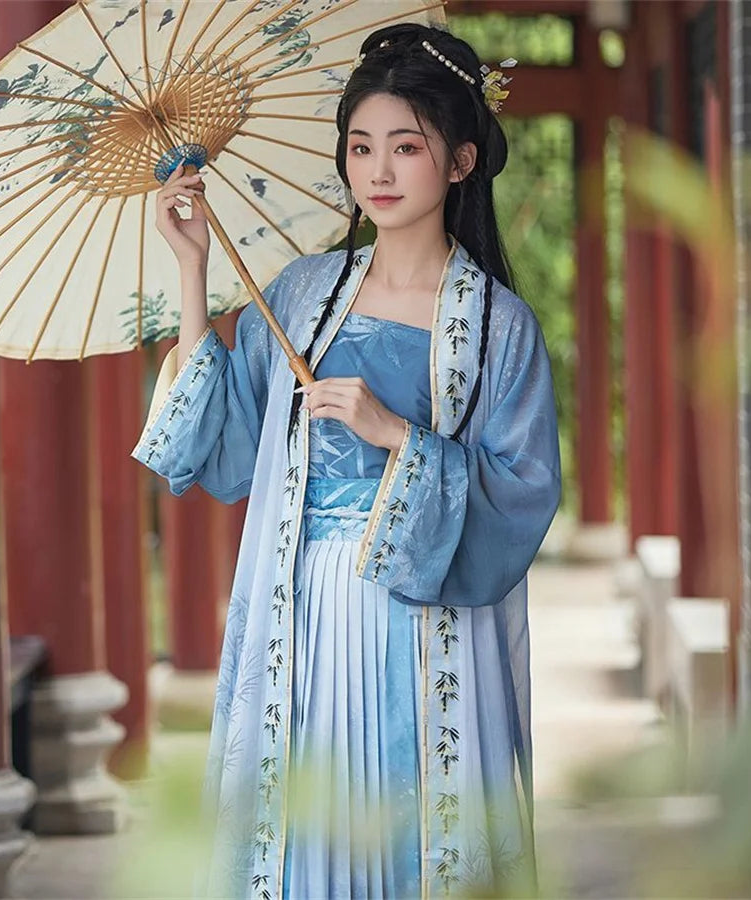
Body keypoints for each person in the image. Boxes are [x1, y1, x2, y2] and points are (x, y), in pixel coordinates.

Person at [133, 22, 561, 900]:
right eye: (361, 146)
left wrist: (396, 435)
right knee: (305, 840)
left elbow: (522, 497)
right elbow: (223, 444)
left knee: (417, 844)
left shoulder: (497, 328)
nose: (379, 170)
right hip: (306, 613)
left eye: (406, 147)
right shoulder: (299, 294)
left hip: (427, 620)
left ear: (460, 161)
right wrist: (192, 272)